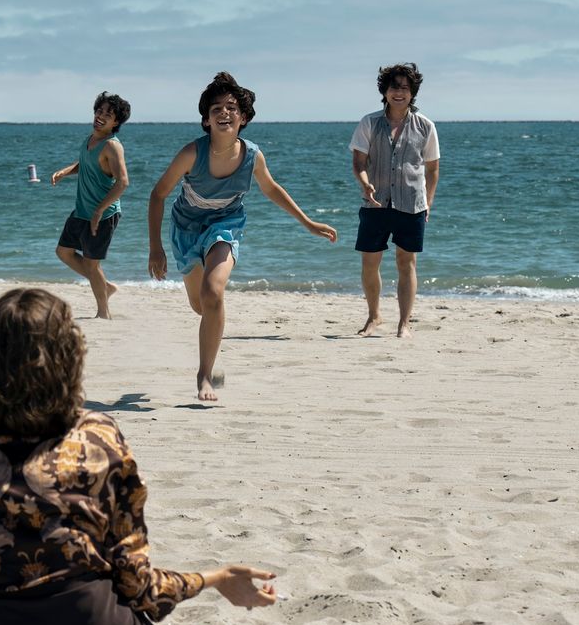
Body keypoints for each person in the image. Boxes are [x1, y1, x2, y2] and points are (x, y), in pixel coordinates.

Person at [0, 288, 278, 625]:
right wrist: (216, 578)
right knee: (104, 594)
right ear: (69, 359)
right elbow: (137, 584)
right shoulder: (100, 436)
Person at [148, 72, 337, 401]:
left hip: (226, 223)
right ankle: (209, 335)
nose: (224, 112)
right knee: (200, 305)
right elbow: (158, 195)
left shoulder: (252, 156)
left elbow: (271, 189)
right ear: (206, 120)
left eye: (231, 107)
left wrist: (308, 223)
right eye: (216, 108)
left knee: (213, 293)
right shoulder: (192, 154)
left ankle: (204, 375)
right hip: (186, 227)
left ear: (244, 117)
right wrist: (155, 248)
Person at [350, 63, 440, 338]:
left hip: (411, 203)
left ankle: (404, 323)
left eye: (404, 88)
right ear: (384, 91)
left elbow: (432, 168)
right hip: (375, 204)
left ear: (412, 92)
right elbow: (358, 162)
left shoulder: (425, 126)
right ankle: (374, 316)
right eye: (393, 87)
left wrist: (429, 204)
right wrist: (365, 183)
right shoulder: (369, 122)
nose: (398, 92)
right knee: (369, 262)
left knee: (406, 262)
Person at [52, 92, 131, 319]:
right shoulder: (90, 140)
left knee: (91, 263)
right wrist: (66, 171)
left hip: (103, 215)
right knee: (64, 252)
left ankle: (103, 312)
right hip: (82, 210)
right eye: (99, 111)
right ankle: (104, 286)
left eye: (108, 114)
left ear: (116, 122)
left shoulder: (112, 147)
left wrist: (99, 210)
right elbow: (87, 162)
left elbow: (123, 181)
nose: (101, 116)